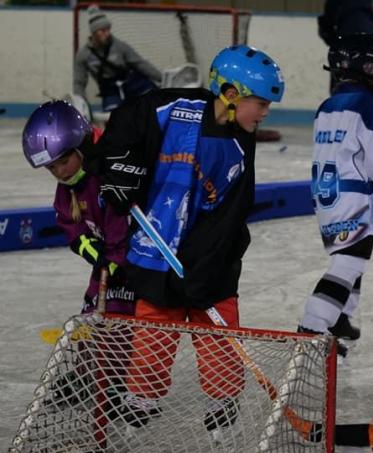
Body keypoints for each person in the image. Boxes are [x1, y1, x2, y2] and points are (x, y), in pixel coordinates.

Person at [95, 45, 284, 433]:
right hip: (155, 250)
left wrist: (205, 269)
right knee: (152, 339)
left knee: (219, 346)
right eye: (260, 104)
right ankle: (140, 409)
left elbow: (231, 218)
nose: (265, 114)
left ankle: (222, 414)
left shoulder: (238, 145)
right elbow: (124, 124)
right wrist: (119, 170)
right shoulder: (174, 107)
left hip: (207, 266)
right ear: (230, 95)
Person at [297, 33, 373, 357]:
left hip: (328, 196)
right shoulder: (370, 104)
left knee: (351, 259)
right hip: (354, 197)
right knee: (348, 263)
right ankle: (312, 328)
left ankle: (341, 317)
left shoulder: (327, 105)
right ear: (362, 65)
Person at [22, 100, 135, 407]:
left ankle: (117, 381)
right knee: (90, 317)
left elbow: (121, 222)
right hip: (105, 262)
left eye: (62, 163)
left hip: (132, 265)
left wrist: (114, 261)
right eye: (51, 168)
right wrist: (87, 246)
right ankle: (87, 374)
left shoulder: (108, 173)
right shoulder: (69, 187)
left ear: (80, 146)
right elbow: (69, 223)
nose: (58, 172)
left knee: (120, 318)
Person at [73, 4, 162, 112]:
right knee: (113, 118)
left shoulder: (120, 46)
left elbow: (140, 64)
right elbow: (79, 83)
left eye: (108, 29)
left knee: (154, 100)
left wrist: (162, 78)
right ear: (94, 32)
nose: (107, 33)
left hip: (132, 83)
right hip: (110, 90)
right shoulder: (83, 55)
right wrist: (80, 103)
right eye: (102, 31)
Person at [317, 0, 373, 94]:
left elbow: (326, 27)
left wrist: (333, 41)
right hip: (367, 41)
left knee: (342, 85)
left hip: (348, 44)